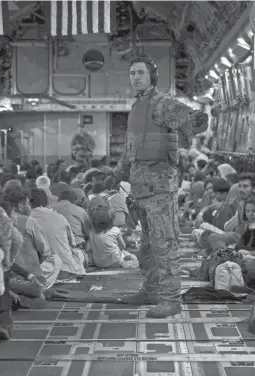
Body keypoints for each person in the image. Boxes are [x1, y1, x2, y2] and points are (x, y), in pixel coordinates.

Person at [113, 54, 208, 317]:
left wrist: (195, 119)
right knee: (146, 247)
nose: (136, 77)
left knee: (164, 245)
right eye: (132, 73)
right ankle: (151, 290)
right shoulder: (137, 108)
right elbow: (131, 148)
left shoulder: (161, 103)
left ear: (152, 76)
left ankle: (171, 300)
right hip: (140, 189)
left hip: (159, 190)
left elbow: (191, 120)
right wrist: (118, 172)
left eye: (141, 72)